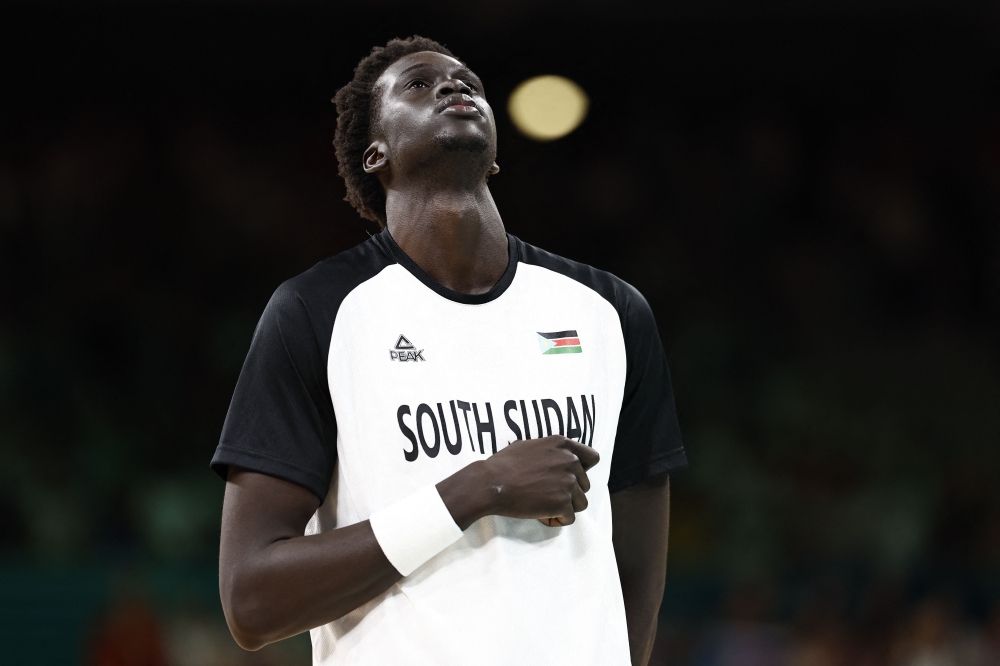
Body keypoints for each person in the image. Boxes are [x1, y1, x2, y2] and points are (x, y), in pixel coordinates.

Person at [211, 35, 687, 666]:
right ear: (374, 153)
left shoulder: (609, 311)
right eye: (417, 84)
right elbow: (251, 602)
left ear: (493, 155)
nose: (455, 86)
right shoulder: (317, 312)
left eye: (470, 82)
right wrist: (478, 488)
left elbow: (637, 567)